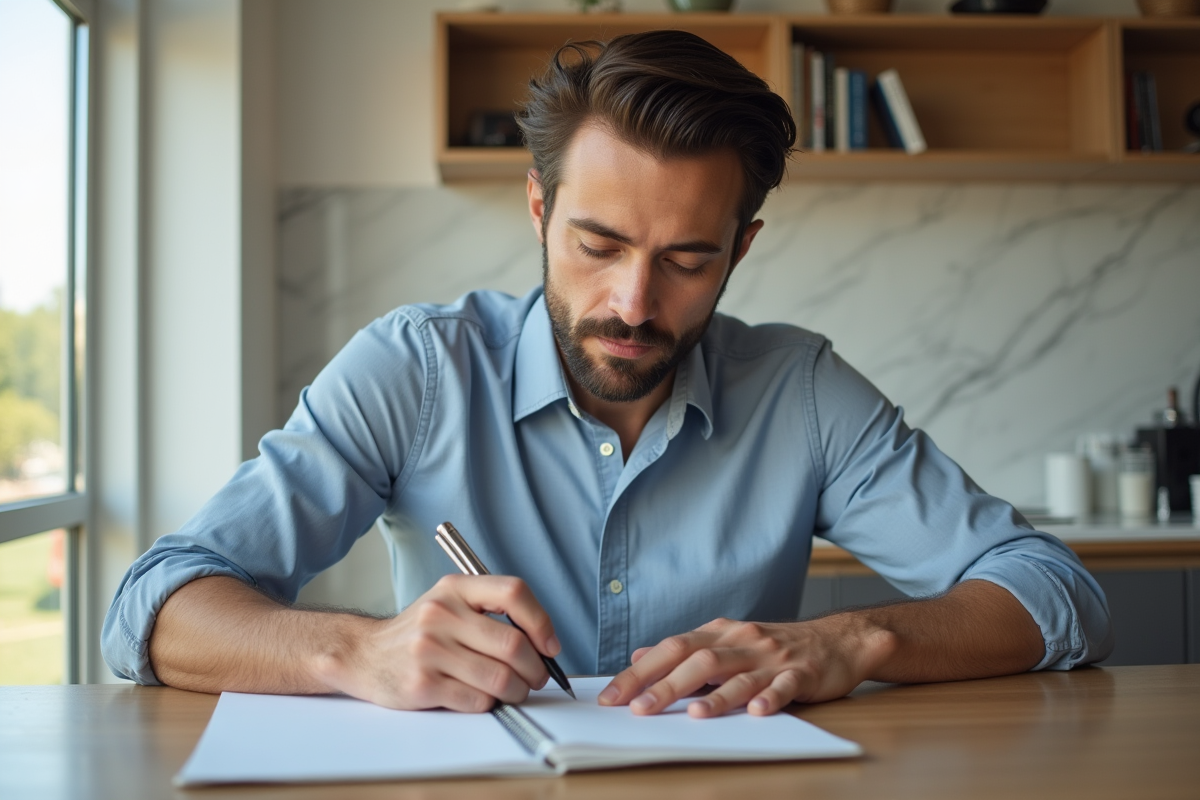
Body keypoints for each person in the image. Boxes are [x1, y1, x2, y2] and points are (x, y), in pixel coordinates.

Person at [102, 31, 1112, 719]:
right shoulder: (415, 368)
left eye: (687, 259)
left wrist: (850, 640)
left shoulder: (800, 391)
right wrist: (354, 652)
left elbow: (1057, 590)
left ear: (741, 248)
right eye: (598, 242)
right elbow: (154, 607)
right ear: (539, 209)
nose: (634, 302)